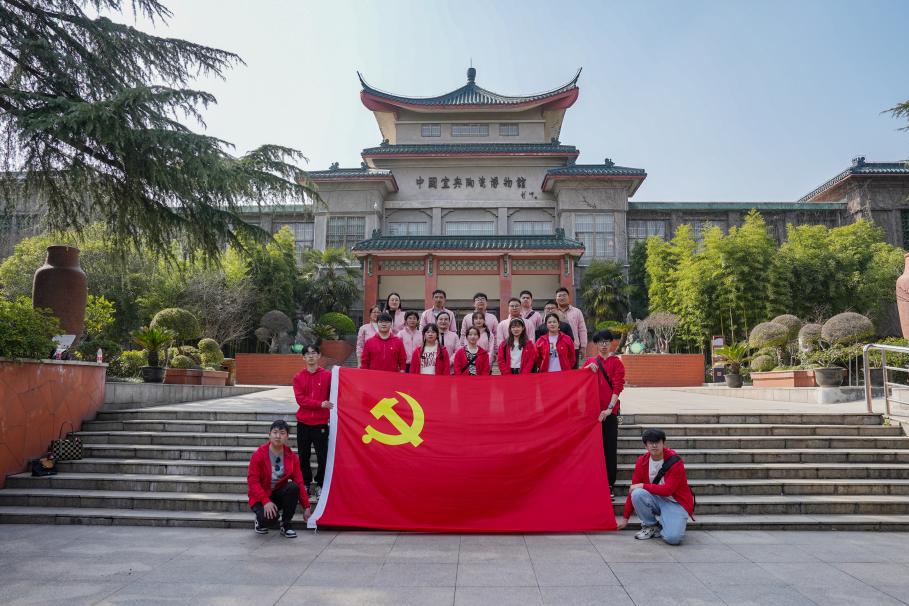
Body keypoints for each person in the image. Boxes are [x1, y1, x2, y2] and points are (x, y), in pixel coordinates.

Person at [618, 428, 695, 546]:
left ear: (664, 443)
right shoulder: (642, 462)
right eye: (651, 443)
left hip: (675, 502)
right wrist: (625, 518)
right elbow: (632, 489)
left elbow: (668, 490)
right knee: (637, 493)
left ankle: (668, 522)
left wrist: (643, 485)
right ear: (646, 446)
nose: (654, 445)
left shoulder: (675, 461)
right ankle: (651, 526)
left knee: (673, 539)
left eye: (657, 442)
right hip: (656, 499)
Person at [247, 420, 310, 538]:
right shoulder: (259, 455)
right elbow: (252, 482)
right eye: (275, 432)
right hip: (260, 497)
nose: (278, 436)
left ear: (287, 437)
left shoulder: (291, 457)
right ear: (269, 434)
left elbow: (299, 482)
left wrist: (306, 506)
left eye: (282, 433)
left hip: (278, 494)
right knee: (270, 520)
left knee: (293, 487)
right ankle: (260, 521)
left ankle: (286, 525)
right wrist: (265, 501)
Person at [583, 329, 625, 497]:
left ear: (611, 343)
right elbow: (580, 383)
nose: (604, 345)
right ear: (596, 344)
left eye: (607, 341)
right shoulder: (590, 361)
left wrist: (609, 409)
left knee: (609, 449)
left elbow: (618, 386)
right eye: (601, 342)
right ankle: (594, 483)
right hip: (592, 414)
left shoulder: (616, 362)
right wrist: (586, 370)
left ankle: (609, 485)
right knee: (593, 450)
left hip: (610, 412)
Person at [291, 344, 334, 500]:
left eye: (313, 353)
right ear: (303, 357)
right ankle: (306, 483)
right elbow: (301, 400)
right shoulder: (298, 377)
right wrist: (320, 404)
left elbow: (338, 391)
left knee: (323, 456)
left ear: (319, 356)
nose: (310, 356)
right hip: (303, 423)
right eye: (307, 354)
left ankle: (321, 484)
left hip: (321, 423)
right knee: (303, 456)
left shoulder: (328, 376)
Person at [555, 287, 588, 368]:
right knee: (556, 370)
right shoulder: (553, 312)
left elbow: (582, 329)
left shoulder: (577, 312)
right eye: (559, 296)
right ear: (556, 298)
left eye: (564, 295)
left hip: (573, 347)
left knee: (573, 371)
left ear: (568, 297)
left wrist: (583, 346)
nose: (562, 298)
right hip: (555, 348)